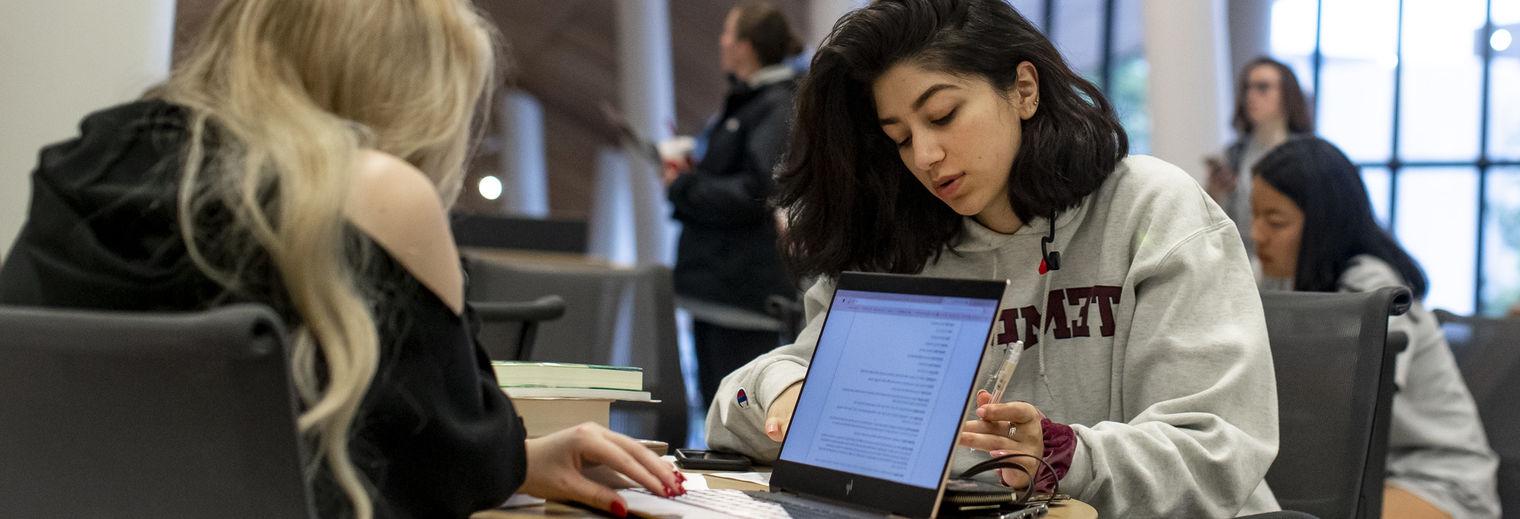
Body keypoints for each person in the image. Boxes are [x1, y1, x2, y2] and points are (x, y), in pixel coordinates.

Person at [0, 0, 684, 516]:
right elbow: (450, 462)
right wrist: (505, 454)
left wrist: (523, 461)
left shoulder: (92, 157)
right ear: (405, 94)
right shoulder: (374, 189)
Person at [704, 1, 1279, 516]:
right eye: (900, 138)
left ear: (1024, 88)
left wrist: (1063, 454)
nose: (926, 156)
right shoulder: (900, 248)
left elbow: (1215, 448)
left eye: (943, 115)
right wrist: (786, 391)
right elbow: (737, 402)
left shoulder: (1152, 210)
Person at [1247, 136, 1502, 519]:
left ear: (1322, 226)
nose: (1257, 234)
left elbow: (1352, 401)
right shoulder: (1277, 280)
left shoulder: (1373, 287)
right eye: (1254, 216)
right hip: (1361, 476)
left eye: (1275, 221)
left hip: (1436, 481)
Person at [666, 0, 805, 408]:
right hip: (719, 282)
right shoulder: (749, 102)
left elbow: (758, 191)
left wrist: (683, 186)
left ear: (745, 45)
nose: (721, 42)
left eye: (728, 33)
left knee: (739, 416)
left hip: (743, 287)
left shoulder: (777, 104)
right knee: (714, 409)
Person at [1208, 57, 1314, 261]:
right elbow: (1214, 222)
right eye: (1247, 87)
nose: (1251, 96)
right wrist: (1215, 192)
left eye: (1262, 87)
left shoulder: (1308, 155)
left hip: (1293, 264)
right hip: (1241, 261)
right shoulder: (1233, 154)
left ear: (1288, 94)